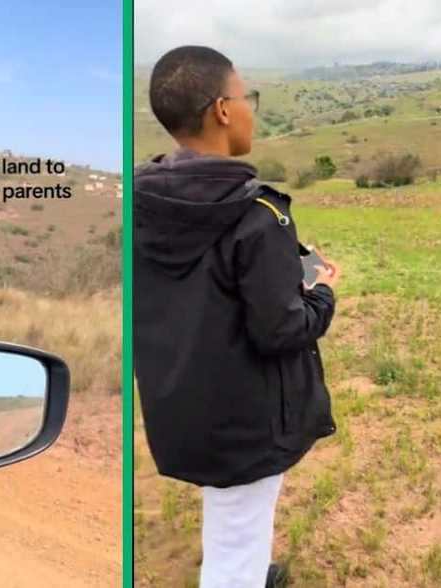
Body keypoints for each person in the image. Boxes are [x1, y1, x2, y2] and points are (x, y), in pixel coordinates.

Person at [133, 45, 341, 588]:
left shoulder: (139, 206)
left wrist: (278, 266)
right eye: (245, 96)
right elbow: (282, 328)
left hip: (186, 413)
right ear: (223, 110)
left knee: (232, 519)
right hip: (246, 422)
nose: (251, 108)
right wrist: (320, 291)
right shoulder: (259, 215)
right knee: (237, 542)